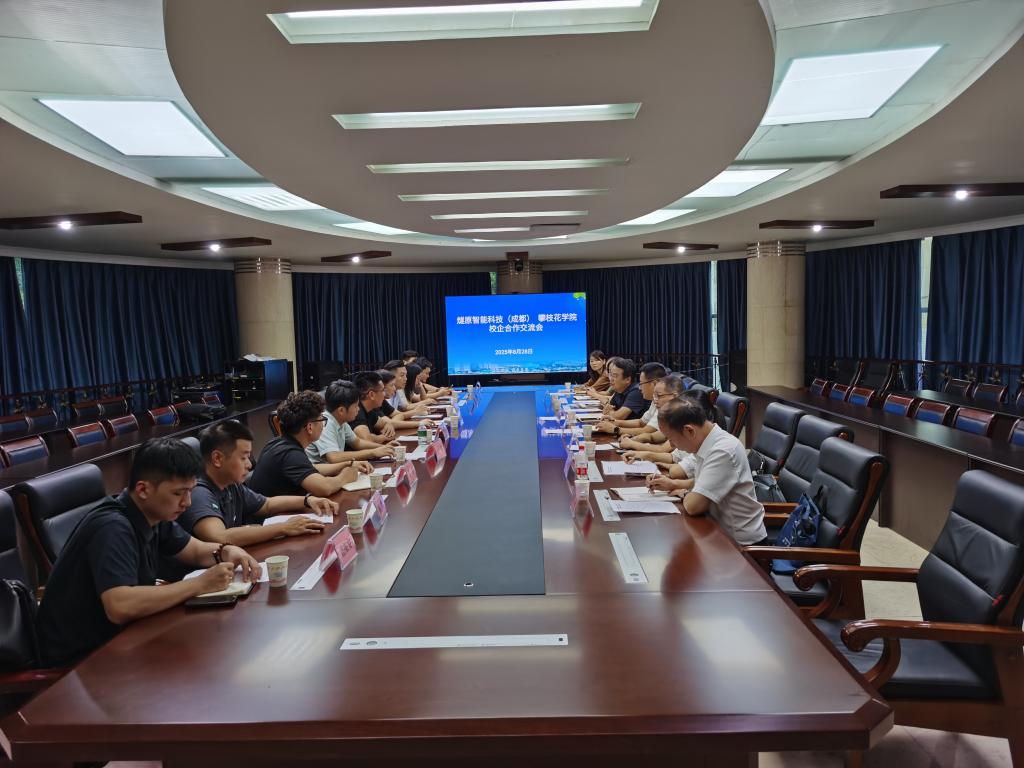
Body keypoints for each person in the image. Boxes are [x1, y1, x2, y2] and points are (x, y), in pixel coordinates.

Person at [35, 438, 262, 666]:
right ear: (143, 489)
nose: (187, 503)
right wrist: (200, 584)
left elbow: (194, 550)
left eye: (190, 492)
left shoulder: (153, 515)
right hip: (79, 661)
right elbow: (120, 606)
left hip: (123, 639)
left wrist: (227, 551)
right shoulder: (113, 527)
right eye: (178, 493)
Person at [178, 420, 340, 548]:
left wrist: (307, 500)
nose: (249, 465)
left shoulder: (230, 484)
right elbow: (220, 537)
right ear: (217, 458)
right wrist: (283, 527)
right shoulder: (198, 492)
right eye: (243, 457)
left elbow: (267, 504)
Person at [647, 398, 767, 546]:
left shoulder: (723, 451)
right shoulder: (706, 441)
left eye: (671, 438)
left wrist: (684, 492)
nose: (671, 445)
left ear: (689, 430)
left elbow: (693, 506)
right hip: (716, 531)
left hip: (740, 545)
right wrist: (674, 484)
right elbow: (705, 480)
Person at [247, 391, 360, 497]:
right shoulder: (290, 454)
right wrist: (345, 477)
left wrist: (344, 465)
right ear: (310, 427)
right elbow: (324, 487)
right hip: (277, 512)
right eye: (322, 419)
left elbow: (310, 468)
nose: (323, 425)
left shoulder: (279, 443)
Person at [307, 379, 394, 464]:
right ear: (341, 410)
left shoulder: (340, 420)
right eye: (355, 406)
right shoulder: (325, 424)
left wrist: (383, 447)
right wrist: (373, 452)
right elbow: (334, 457)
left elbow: (357, 443)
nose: (358, 409)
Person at [595, 362, 666, 435]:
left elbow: (647, 431)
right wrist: (614, 422)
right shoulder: (655, 400)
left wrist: (615, 429)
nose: (640, 388)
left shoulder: (664, 401)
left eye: (641, 383)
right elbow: (640, 422)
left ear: (654, 384)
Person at [350, 370, 397, 444]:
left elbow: (385, 423)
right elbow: (366, 441)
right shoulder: (356, 411)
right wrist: (383, 437)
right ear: (371, 395)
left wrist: (389, 425)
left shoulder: (369, 410)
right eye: (382, 390)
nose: (384, 394)